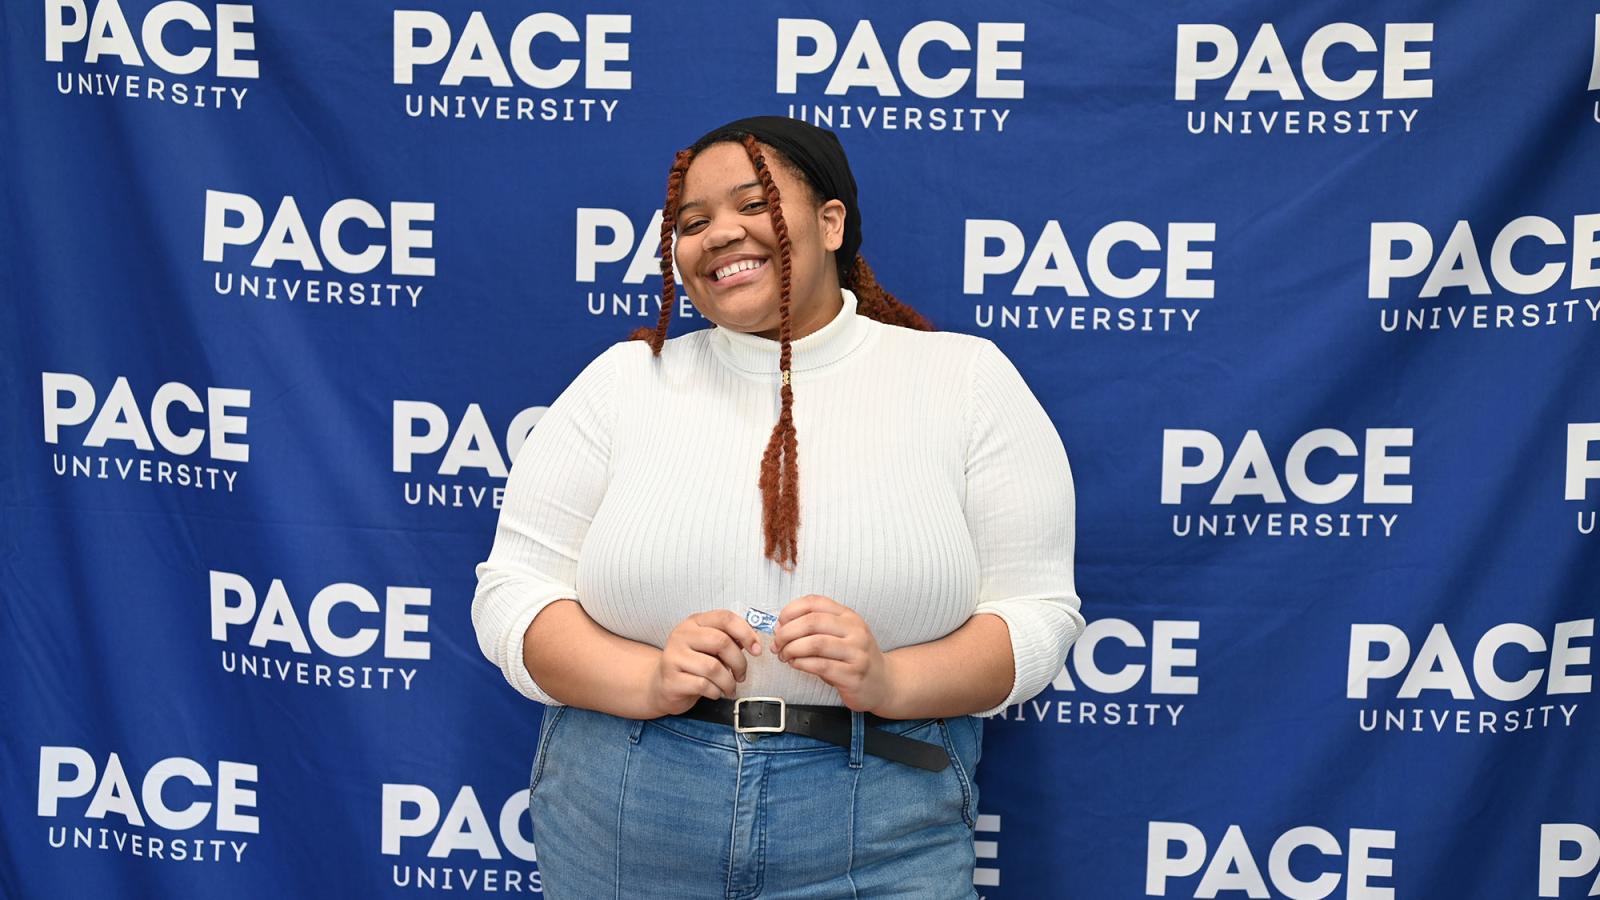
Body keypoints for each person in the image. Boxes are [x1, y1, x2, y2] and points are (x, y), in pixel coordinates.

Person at [471, 115, 1084, 898]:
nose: (718, 234)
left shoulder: (966, 381)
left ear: (831, 223)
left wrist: (891, 682)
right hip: (624, 809)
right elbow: (513, 597)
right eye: (691, 223)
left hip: (880, 818)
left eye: (752, 204)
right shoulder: (624, 383)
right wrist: (647, 678)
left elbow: (1036, 614)